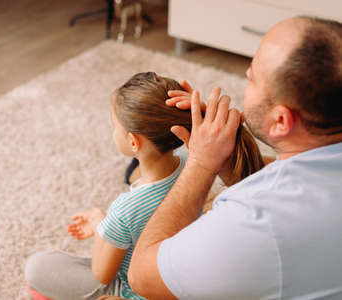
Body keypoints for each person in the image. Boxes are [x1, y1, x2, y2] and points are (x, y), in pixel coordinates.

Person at [127, 16, 342, 299]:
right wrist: (233, 158)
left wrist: (201, 164)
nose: (245, 74)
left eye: (253, 78)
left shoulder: (256, 224)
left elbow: (142, 276)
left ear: (280, 121)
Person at [24, 72, 265, 300]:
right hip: (181, 275)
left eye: (114, 126)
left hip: (139, 290)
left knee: (38, 267)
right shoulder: (191, 163)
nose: (113, 131)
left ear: (133, 142)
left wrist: (102, 225)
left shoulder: (125, 209)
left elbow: (102, 274)